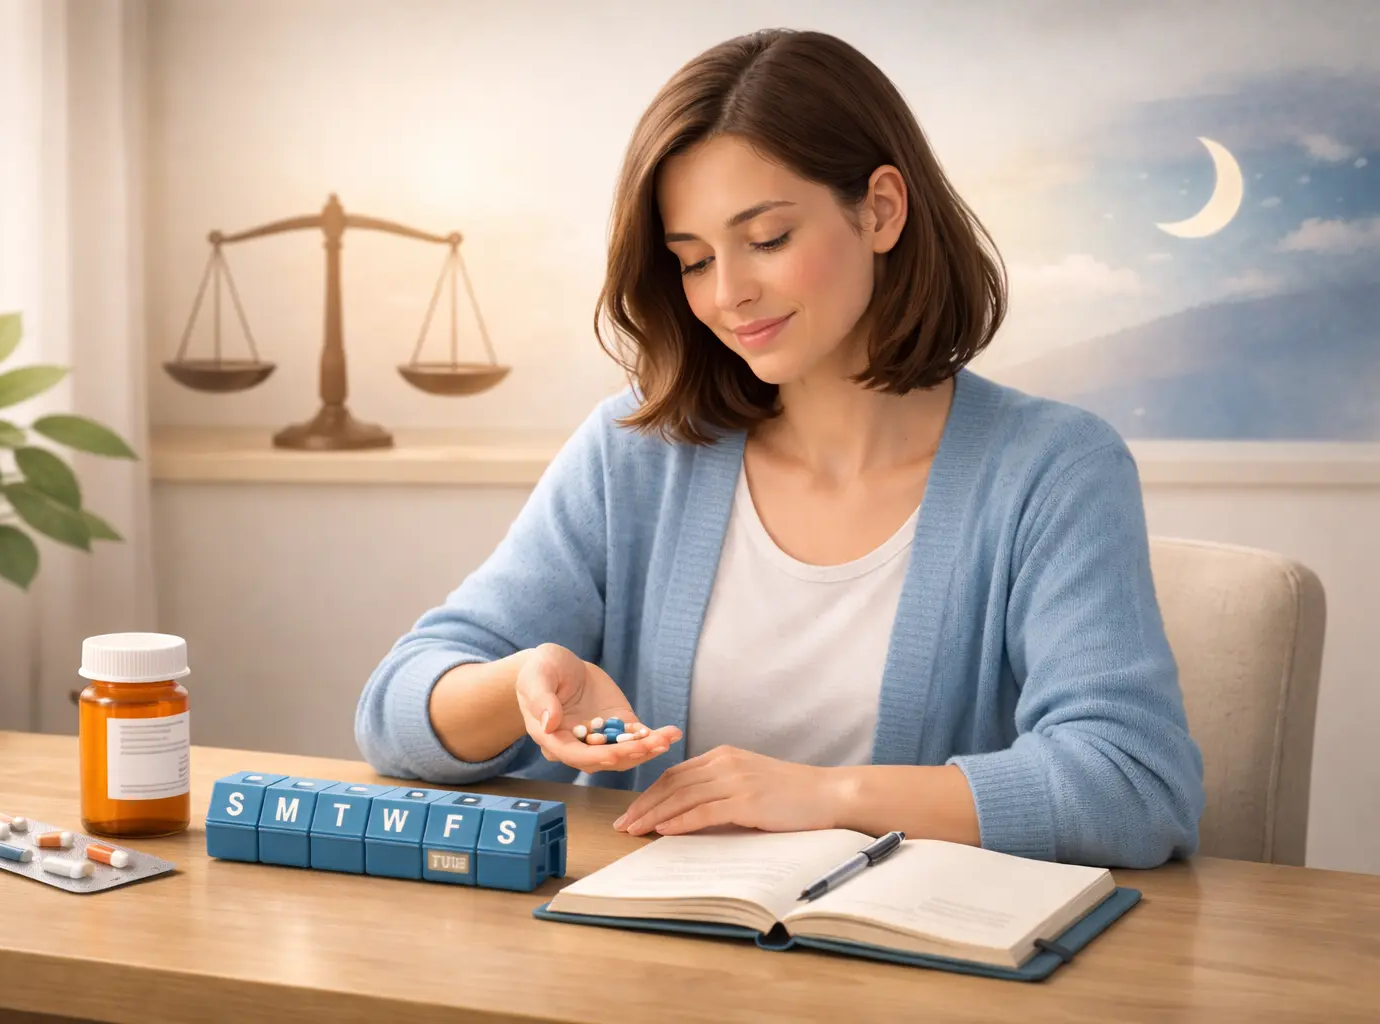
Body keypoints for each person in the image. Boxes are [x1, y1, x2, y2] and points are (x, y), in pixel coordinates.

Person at [355, 27, 1204, 869]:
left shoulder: (1053, 470)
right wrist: (523, 683)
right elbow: (392, 712)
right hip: (639, 972)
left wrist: (829, 797)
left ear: (880, 208)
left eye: (766, 240)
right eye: (692, 261)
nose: (729, 295)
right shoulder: (639, 452)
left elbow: (1133, 784)